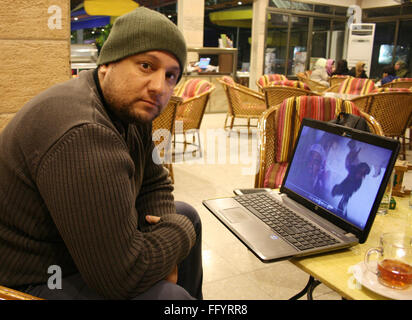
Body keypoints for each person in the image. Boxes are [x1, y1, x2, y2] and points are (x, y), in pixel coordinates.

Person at [0, 7, 203, 300]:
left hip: (76, 245)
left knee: (188, 215)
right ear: (108, 63)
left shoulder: (129, 109)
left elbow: (154, 181)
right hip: (35, 272)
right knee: (171, 295)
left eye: (171, 75)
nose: (159, 87)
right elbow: (122, 278)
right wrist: (179, 233)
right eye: (146, 65)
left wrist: (168, 249)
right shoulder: (82, 131)